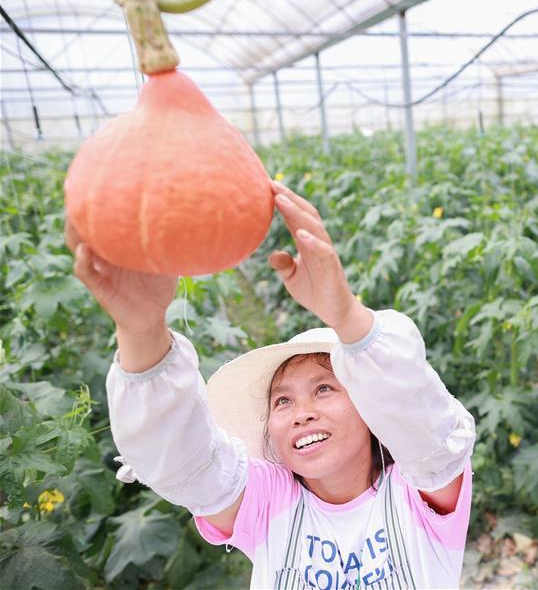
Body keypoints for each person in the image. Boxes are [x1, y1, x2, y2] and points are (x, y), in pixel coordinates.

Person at [68, 179, 477, 589]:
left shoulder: (418, 489)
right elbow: (186, 465)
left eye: (324, 389)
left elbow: (429, 430)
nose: (302, 413)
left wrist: (347, 315)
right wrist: (141, 330)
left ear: (372, 408)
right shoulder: (269, 501)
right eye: (282, 402)